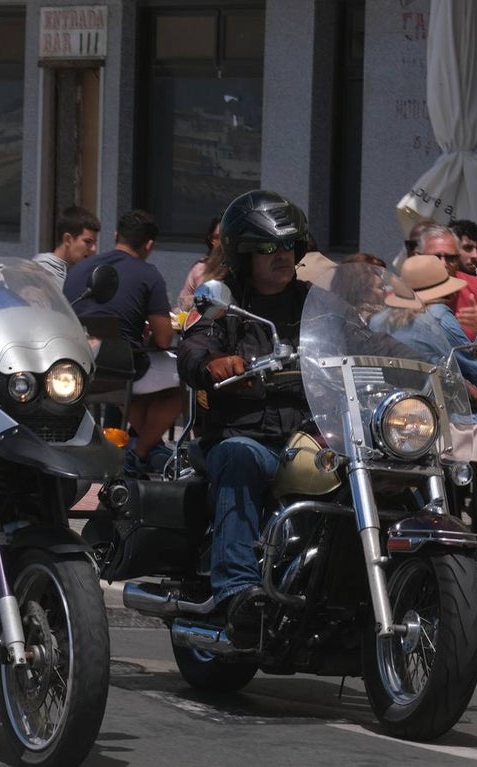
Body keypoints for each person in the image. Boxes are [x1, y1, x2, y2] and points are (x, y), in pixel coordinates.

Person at [177, 189, 312, 644]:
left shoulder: (314, 304)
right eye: (269, 247)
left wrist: (414, 359)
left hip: (311, 441)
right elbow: (193, 345)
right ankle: (237, 589)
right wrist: (211, 362)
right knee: (238, 456)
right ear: (244, 253)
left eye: (288, 245)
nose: (282, 255)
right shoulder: (226, 306)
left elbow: (363, 338)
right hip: (248, 437)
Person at [370, 255, 477, 538]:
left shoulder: (377, 319)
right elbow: (475, 372)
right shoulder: (440, 317)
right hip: (443, 416)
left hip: (393, 415)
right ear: (445, 289)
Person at [64, 209, 179, 474]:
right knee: (181, 382)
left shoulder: (78, 269)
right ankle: (140, 451)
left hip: (76, 368)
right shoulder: (148, 274)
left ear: (116, 235)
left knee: (133, 388)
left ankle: (146, 446)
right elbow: (164, 339)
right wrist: (150, 335)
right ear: (149, 244)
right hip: (123, 369)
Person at [414, 223, 477, 342]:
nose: (443, 264)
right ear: (418, 257)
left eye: (450, 258)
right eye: (435, 257)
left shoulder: (476, 287)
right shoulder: (406, 291)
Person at [33, 205, 100, 287]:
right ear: (68, 239)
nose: (93, 249)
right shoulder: (40, 273)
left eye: (95, 243)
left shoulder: (79, 274)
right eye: (87, 242)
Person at [177, 217, 226, 309]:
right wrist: (191, 302)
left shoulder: (242, 269)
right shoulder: (200, 269)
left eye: (224, 238)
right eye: (216, 238)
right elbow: (181, 305)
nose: (221, 244)